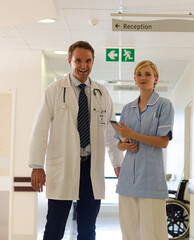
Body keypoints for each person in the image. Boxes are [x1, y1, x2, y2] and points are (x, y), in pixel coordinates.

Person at [29, 41, 123, 240]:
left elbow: (111, 133)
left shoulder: (102, 93)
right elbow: (40, 129)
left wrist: (118, 163)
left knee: (88, 229)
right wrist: (37, 165)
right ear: (70, 61)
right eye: (78, 60)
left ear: (93, 62)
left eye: (88, 61)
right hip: (63, 166)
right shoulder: (54, 90)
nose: (83, 65)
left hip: (91, 169)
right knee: (54, 227)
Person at [114, 60, 174, 240]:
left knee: (153, 234)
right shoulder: (127, 109)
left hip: (151, 181)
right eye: (139, 74)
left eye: (148, 74)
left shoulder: (164, 105)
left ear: (156, 79)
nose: (143, 78)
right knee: (129, 234)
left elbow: (164, 141)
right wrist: (124, 144)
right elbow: (119, 143)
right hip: (127, 181)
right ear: (134, 79)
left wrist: (134, 134)